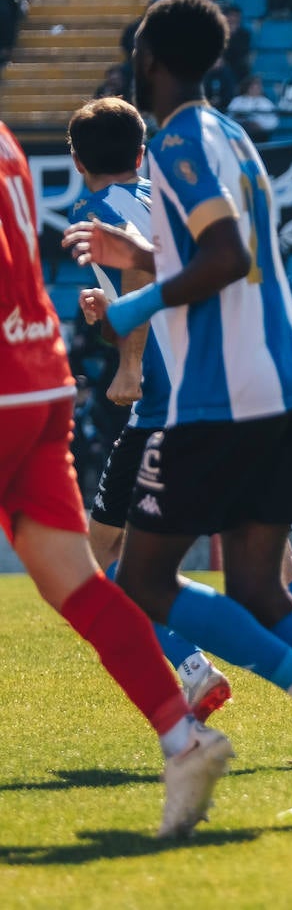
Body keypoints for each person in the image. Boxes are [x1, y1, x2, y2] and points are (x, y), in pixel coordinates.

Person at [63, 0, 292, 824]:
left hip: (221, 398)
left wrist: (134, 307)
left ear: (149, 59)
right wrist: (136, 255)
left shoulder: (175, 140)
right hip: (281, 383)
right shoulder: (232, 135)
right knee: (256, 580)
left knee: (140, 578)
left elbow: (225, 256)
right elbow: (221, 255)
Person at [0, 113, 232, 840]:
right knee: (82, 576)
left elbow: (137, 268)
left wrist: (129, 360)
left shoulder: (97, 207)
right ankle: (183, 732)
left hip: (50, 388)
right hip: (40, 376)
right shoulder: (7, 141)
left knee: (131, 568)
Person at [226, 74, 280, 142]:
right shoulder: (237, 100)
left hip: (260, 134)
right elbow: (228, 118)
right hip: (239, 133)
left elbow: (273, 122)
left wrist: (260, 126)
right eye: (253, 87)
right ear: (247, 87)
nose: (255, 90)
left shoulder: (266, 102)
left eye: (258, 88)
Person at [222, 6, 253, 84]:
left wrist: (233, 34)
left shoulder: (245, 34)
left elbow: (242, 51)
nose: (234, 18)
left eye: (236, 16)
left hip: (238, 64)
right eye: (231, 15)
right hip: (223, 64)